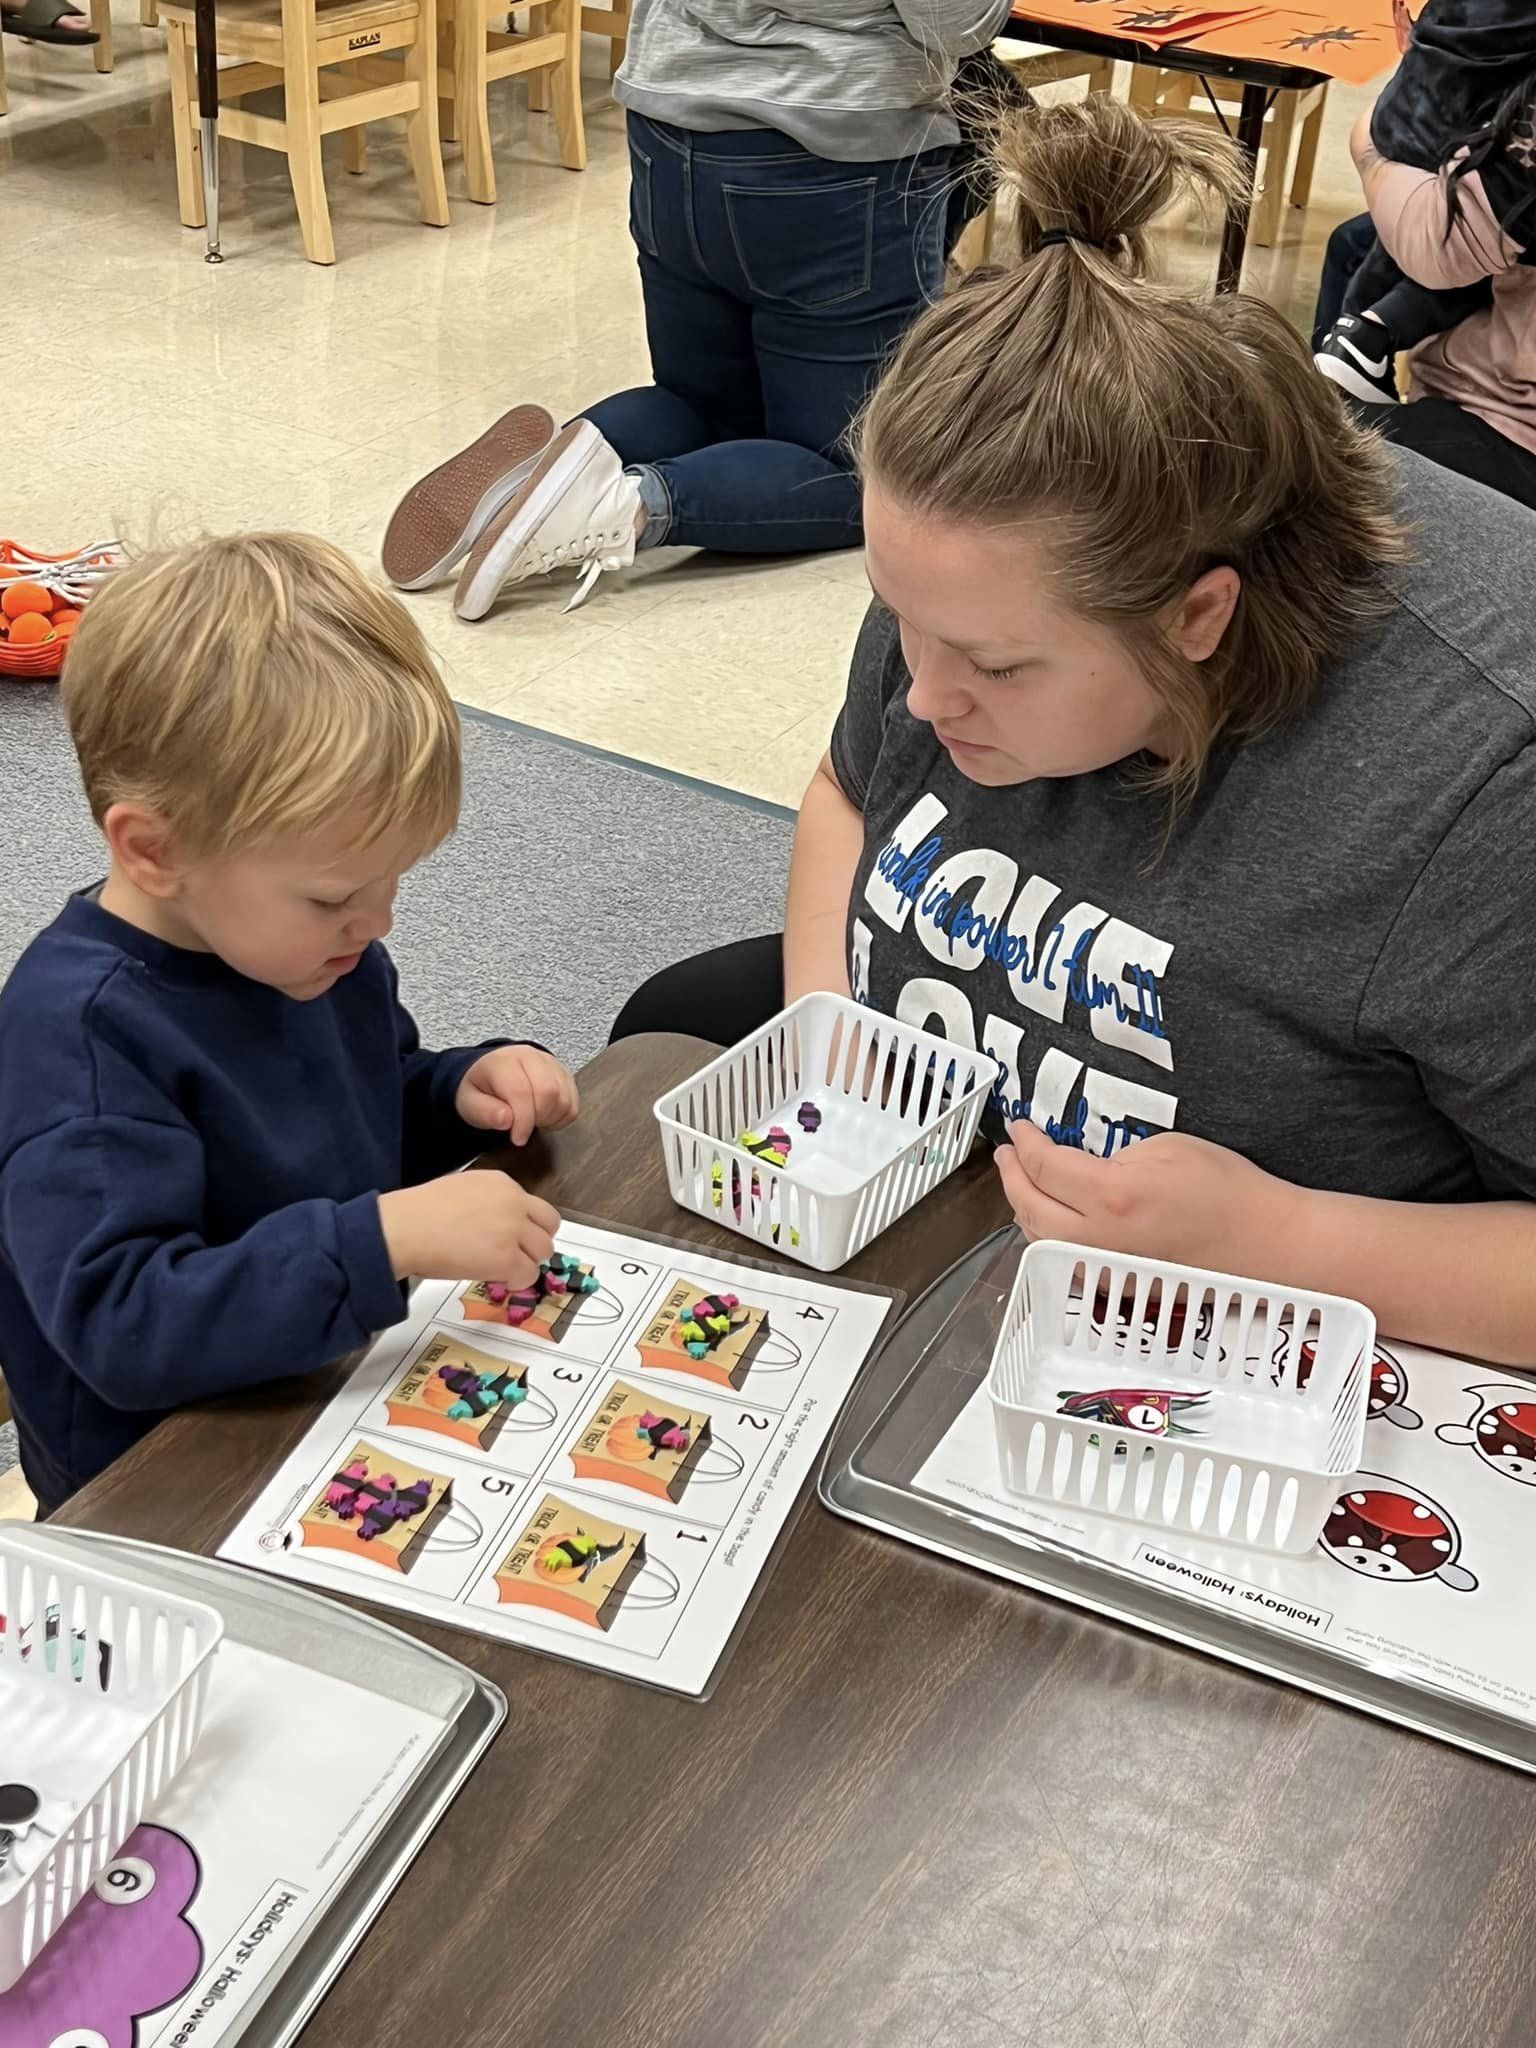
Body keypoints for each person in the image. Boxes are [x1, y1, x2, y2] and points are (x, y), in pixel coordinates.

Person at [615, 97, 1536, 1370]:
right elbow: (848, 787)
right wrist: (831, 1030)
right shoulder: (969, 562)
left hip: (1267, 1326)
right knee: (673, 1021)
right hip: (972, 1161)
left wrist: (1281, 1238)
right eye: (900, 623)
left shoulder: (1481, 790)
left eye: (997, 666)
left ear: (1199, 616)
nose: (926, 700)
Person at [0, 535, 578, 1515]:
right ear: (153, 850)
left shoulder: (313, 948)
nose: (379, 921)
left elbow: (356, 1108)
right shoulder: (80, 1044)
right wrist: (380, 1239)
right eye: (336, 895)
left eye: (394, 881)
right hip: (159, 1483)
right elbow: (124, 1326)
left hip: (326, 1386)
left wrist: (455, 1092)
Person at [381, 0, 1012, 618]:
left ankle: (541, 468)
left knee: (702, 404)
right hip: (829, 149)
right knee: (872, 472)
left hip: (667, 125)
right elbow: (953, 23)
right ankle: (624, 504)